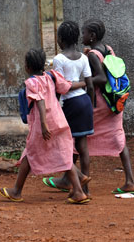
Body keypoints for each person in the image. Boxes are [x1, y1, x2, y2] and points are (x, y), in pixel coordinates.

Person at [47, 19, 134, 194]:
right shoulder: (107, 49)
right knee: (118, 136)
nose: (82, 35)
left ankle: (70, 179)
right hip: (113, 102)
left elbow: (102, 78)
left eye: (85, 33)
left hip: (99, 103)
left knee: (77, 136)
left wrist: (79, 83)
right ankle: (130, 180)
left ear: (92, 36)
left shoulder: (92, 55)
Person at [0, 48, 90, 204]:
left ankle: (16, 191)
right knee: (64, 154)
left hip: (44, 125)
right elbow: (67, 86)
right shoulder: (51, 76)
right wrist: (85, 83)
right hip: (59, 120)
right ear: (44, 65)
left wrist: (44, 123)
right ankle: (79, 188)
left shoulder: (31, 82)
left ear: (27, 67)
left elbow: (39, 100)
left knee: (29, 153)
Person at [43, 21, 94, 196]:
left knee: (65, 144)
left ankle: (74, 180)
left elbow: (59, 85)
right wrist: (92, 105)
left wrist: (54, 107)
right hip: (85, 101)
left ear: (61, 40)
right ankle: (84, 187)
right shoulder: (84, 58)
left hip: (70, 103)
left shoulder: (59, 59)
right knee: (83, 145)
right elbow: (90, 84)